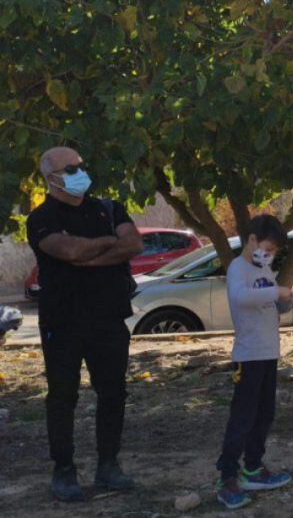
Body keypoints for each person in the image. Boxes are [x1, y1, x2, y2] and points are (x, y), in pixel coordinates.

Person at [27, 146, 145, 502]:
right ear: (52, 179)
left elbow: (134, 244)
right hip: (63, 323)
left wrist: (95, 252)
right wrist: (111, 244)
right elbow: (69, 251)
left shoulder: (107, 208)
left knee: (113, 393)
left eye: (81, 164)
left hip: (109, 318)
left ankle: (108, 465)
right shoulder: (41, 217)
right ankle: (63, 470)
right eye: (72, 167)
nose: (81, 171)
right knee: (63, 397)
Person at [215, 215, 293, 510]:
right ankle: (226, 477)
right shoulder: (237, 269)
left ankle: (253, 468)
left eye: (275, 251)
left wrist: (287, 299)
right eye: (268, 247)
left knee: (264, 413)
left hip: (268, 352)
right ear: (251, 240)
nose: (270, 254)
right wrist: (276, 291)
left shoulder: (264, 268)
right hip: (248, 355)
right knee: (243, 416)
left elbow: (270, 301)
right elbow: (240, 297)